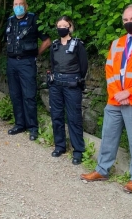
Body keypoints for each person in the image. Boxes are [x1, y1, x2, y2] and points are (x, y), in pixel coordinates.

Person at [80, 3, 132, 193]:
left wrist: (129, 92)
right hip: (116, 98)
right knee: (108, 136)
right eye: (125, 20)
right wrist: (118, 92)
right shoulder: (117, 43)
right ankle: (102, 170)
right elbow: (110, 70)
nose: (129, 22)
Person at [5, 0, 51, 141]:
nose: (18, 6)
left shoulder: (33, 20)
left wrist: (35, 54)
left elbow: (47, 41)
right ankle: (20, 124)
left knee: (29, 95)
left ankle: (32, 128)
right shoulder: (10, 20)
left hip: (26, 62)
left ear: (26, 5)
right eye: (15, 4)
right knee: (15, 94)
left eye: (20, 4)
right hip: (12, 62)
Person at [48, 16, 88, 165]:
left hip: (72, 85)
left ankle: (78, 150)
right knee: (56, 115)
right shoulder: (54, 45)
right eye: (59, 25)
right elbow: (52, 64)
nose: (61, 28)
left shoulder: (78, 45)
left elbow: (83, 66)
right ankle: (60, 146)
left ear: (70, 27)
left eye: (64, 25)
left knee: (74, 117)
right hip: (56, 85)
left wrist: (76, 79)